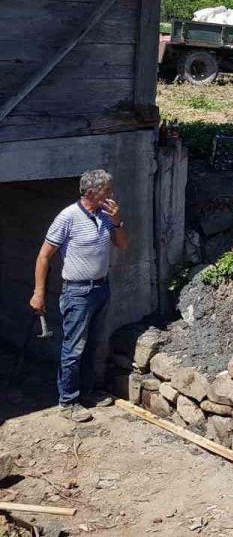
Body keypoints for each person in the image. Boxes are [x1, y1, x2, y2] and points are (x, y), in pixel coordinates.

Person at [29, 170, 128, 422]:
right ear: (92, 193)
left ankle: (87, 393)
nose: (111, 194)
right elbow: (43, 257)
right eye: (107, 190)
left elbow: (122, 244)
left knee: (92, 345)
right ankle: (68, 401)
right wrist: (38, 293)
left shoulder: (106, 216)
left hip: (101, 289)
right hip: (77, 292)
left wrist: (116, 221)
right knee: (74, 348)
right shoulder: (68, 217)